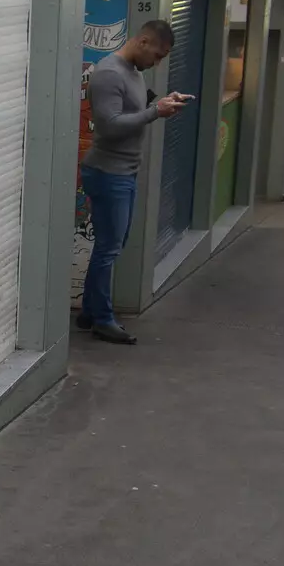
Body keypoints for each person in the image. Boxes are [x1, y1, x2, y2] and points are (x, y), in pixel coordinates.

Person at [77, 19, 190, 344]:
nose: (157, 62)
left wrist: (164, 101)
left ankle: (90, 309)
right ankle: (102, 319)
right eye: (158, 54)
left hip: (122, 171)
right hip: (108, 172)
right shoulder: (110, 73)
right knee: (109, 248)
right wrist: (156, 113)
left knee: (112, 245)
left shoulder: (133, 72)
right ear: (143, 42)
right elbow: (109, 125)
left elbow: (133, 106)